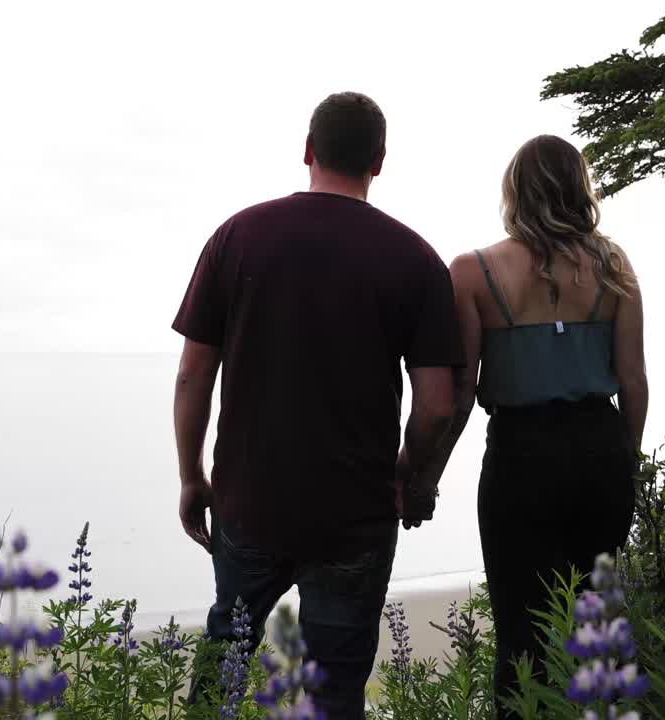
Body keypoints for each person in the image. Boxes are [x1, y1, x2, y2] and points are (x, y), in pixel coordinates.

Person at [171, 91, 463, 718]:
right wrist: (410, 475)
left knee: (224, 666)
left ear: (308, 150)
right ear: (378, 163)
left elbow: (194, 376)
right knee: (334, 692)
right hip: (355, 516)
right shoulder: (414, 259)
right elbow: (438, 403)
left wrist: (192, 476)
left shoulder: (236, 237)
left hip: (250, 505)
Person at [420, 135, 647, 719]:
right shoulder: (614, 266)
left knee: (522, 627)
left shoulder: (472, 272)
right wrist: (628, 463)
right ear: (580, 188)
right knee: (597, 617)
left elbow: (461, 394)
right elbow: (635, 384)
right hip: (600, 450)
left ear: (514, 191)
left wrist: (426, 475)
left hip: (520, 459)